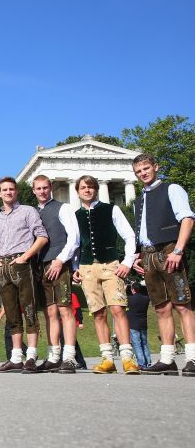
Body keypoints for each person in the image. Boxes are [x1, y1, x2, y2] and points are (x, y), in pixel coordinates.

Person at [130, 155, 195, 377]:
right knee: (161, 307)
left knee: (183, 304)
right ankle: (167, 359)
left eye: (146, 168)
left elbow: (187, 218)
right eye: (138, 171)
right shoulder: (139, 200)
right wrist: (138, 254)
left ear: (156, 167)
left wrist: (178, 250)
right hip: (148, 255)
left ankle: (192, 358)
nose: (143, 174)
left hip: (169, 250)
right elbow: (143, 230)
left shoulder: (171, 189)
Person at [72, 175, 140, 375]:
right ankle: (107, 358)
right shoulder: (75, 215)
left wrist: (127, 262)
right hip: (87, 268)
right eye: (83, 187)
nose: (87, 190)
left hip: (111, 264)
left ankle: (127, 357)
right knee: (98, 313)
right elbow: (75, 244)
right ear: (78, 191)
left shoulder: (112, 209)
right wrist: (74, 266)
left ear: (96, 189)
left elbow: (129, 235)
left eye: (91, 187)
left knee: (118, 309)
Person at [0, 177, 48, 373]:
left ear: (17, 192)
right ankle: (15, 357)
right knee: (11, 312)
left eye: (11, 189)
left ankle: (31, 355)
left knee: (29, 309)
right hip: (3, 266)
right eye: (4, 190)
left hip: (22, 263)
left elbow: (42, 236)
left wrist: (25, 257)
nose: (8, 192)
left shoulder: (28, 211)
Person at [31, 175, 81, 374]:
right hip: (40, 266)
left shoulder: (63, 207)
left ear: (50, 188)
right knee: (49, 312)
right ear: (33, 190)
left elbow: (74, 237)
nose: (42, 191)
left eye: (45, 188)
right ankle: (53, 356)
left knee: (65, 310)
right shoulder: (33, 212)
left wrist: (61, 260)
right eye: (38, 189)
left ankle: (69, 357)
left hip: (59, 263)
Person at [126, 282, 152, 368]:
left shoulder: (129, 299)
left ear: (133, 289)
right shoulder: (146, 298)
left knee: (137, 344)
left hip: (133, 323)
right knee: (144, 343)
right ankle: (148, 362)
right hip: (143, 323)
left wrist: (125, 288)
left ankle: (141, 363)